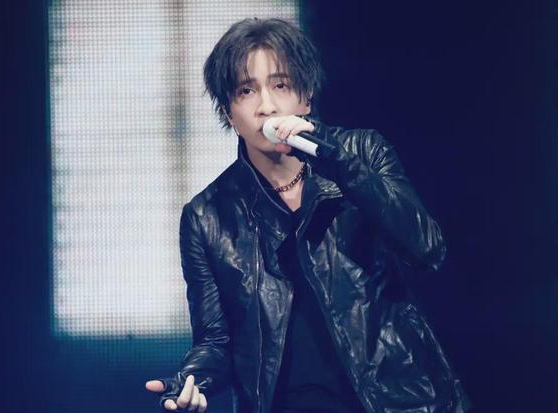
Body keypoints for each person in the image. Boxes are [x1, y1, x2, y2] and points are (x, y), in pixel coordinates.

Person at [145, 17, 471, 413]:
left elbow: (427, 249)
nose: (266, 106)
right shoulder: (207, 216)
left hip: (398, 402)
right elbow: (216, 342)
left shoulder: (362, 153)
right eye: (246, 90)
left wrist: (337, 162)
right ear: (229, 113)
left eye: (280, 85)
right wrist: (193, 379)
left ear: (306, 98)